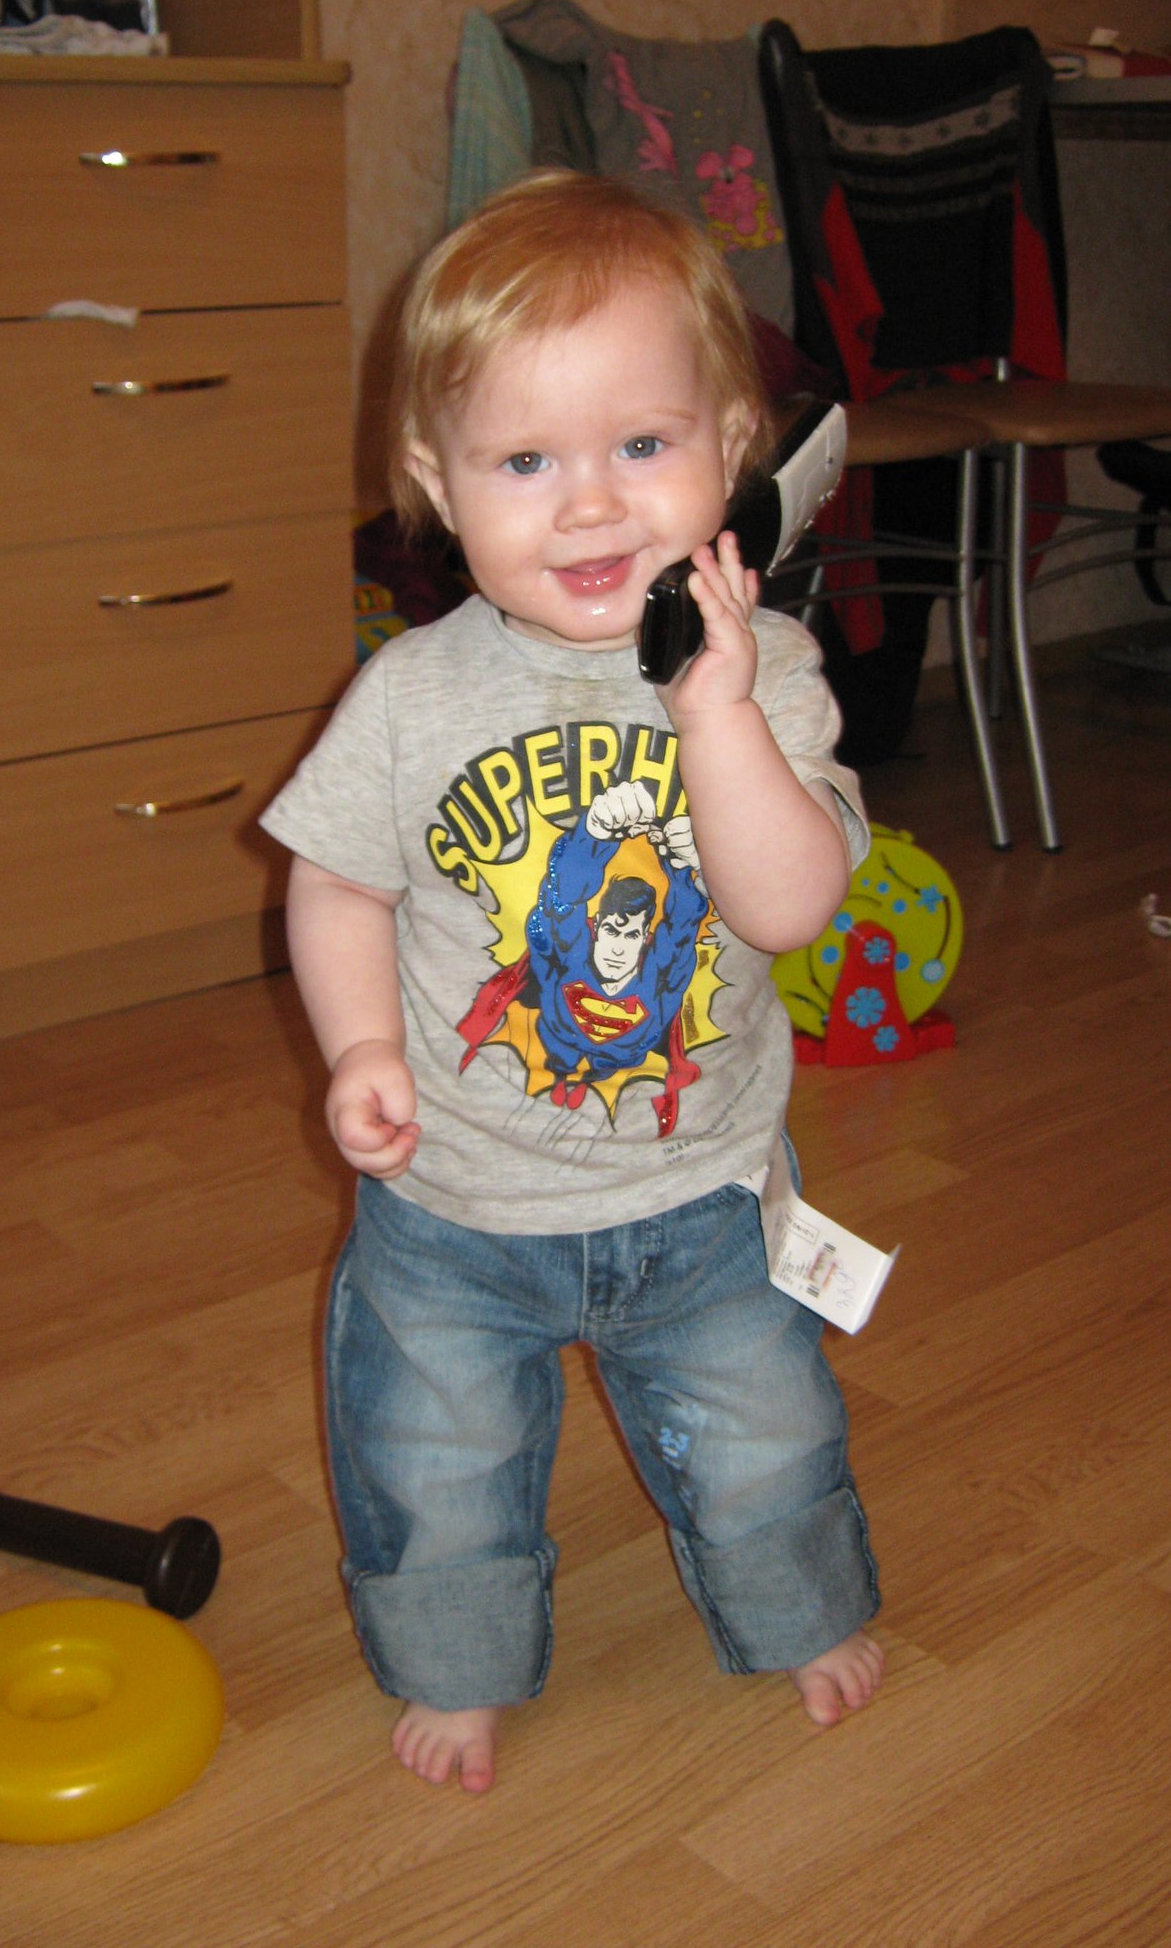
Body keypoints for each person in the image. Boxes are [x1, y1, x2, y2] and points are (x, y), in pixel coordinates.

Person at [260, 169, 883, 1794]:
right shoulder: (410, 694)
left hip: (701, 1196)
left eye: (643, 446)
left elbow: (790, 904)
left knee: (764, 1434)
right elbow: (337, 880)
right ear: (437, 485)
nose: (590, 506)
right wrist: (360, 1046)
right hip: (453, 1209)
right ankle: (458, 1663)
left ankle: (794, 1606)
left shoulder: (769, 673)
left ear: (733, 451)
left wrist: (715, 713)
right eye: (526, 463)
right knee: (433, 1453)